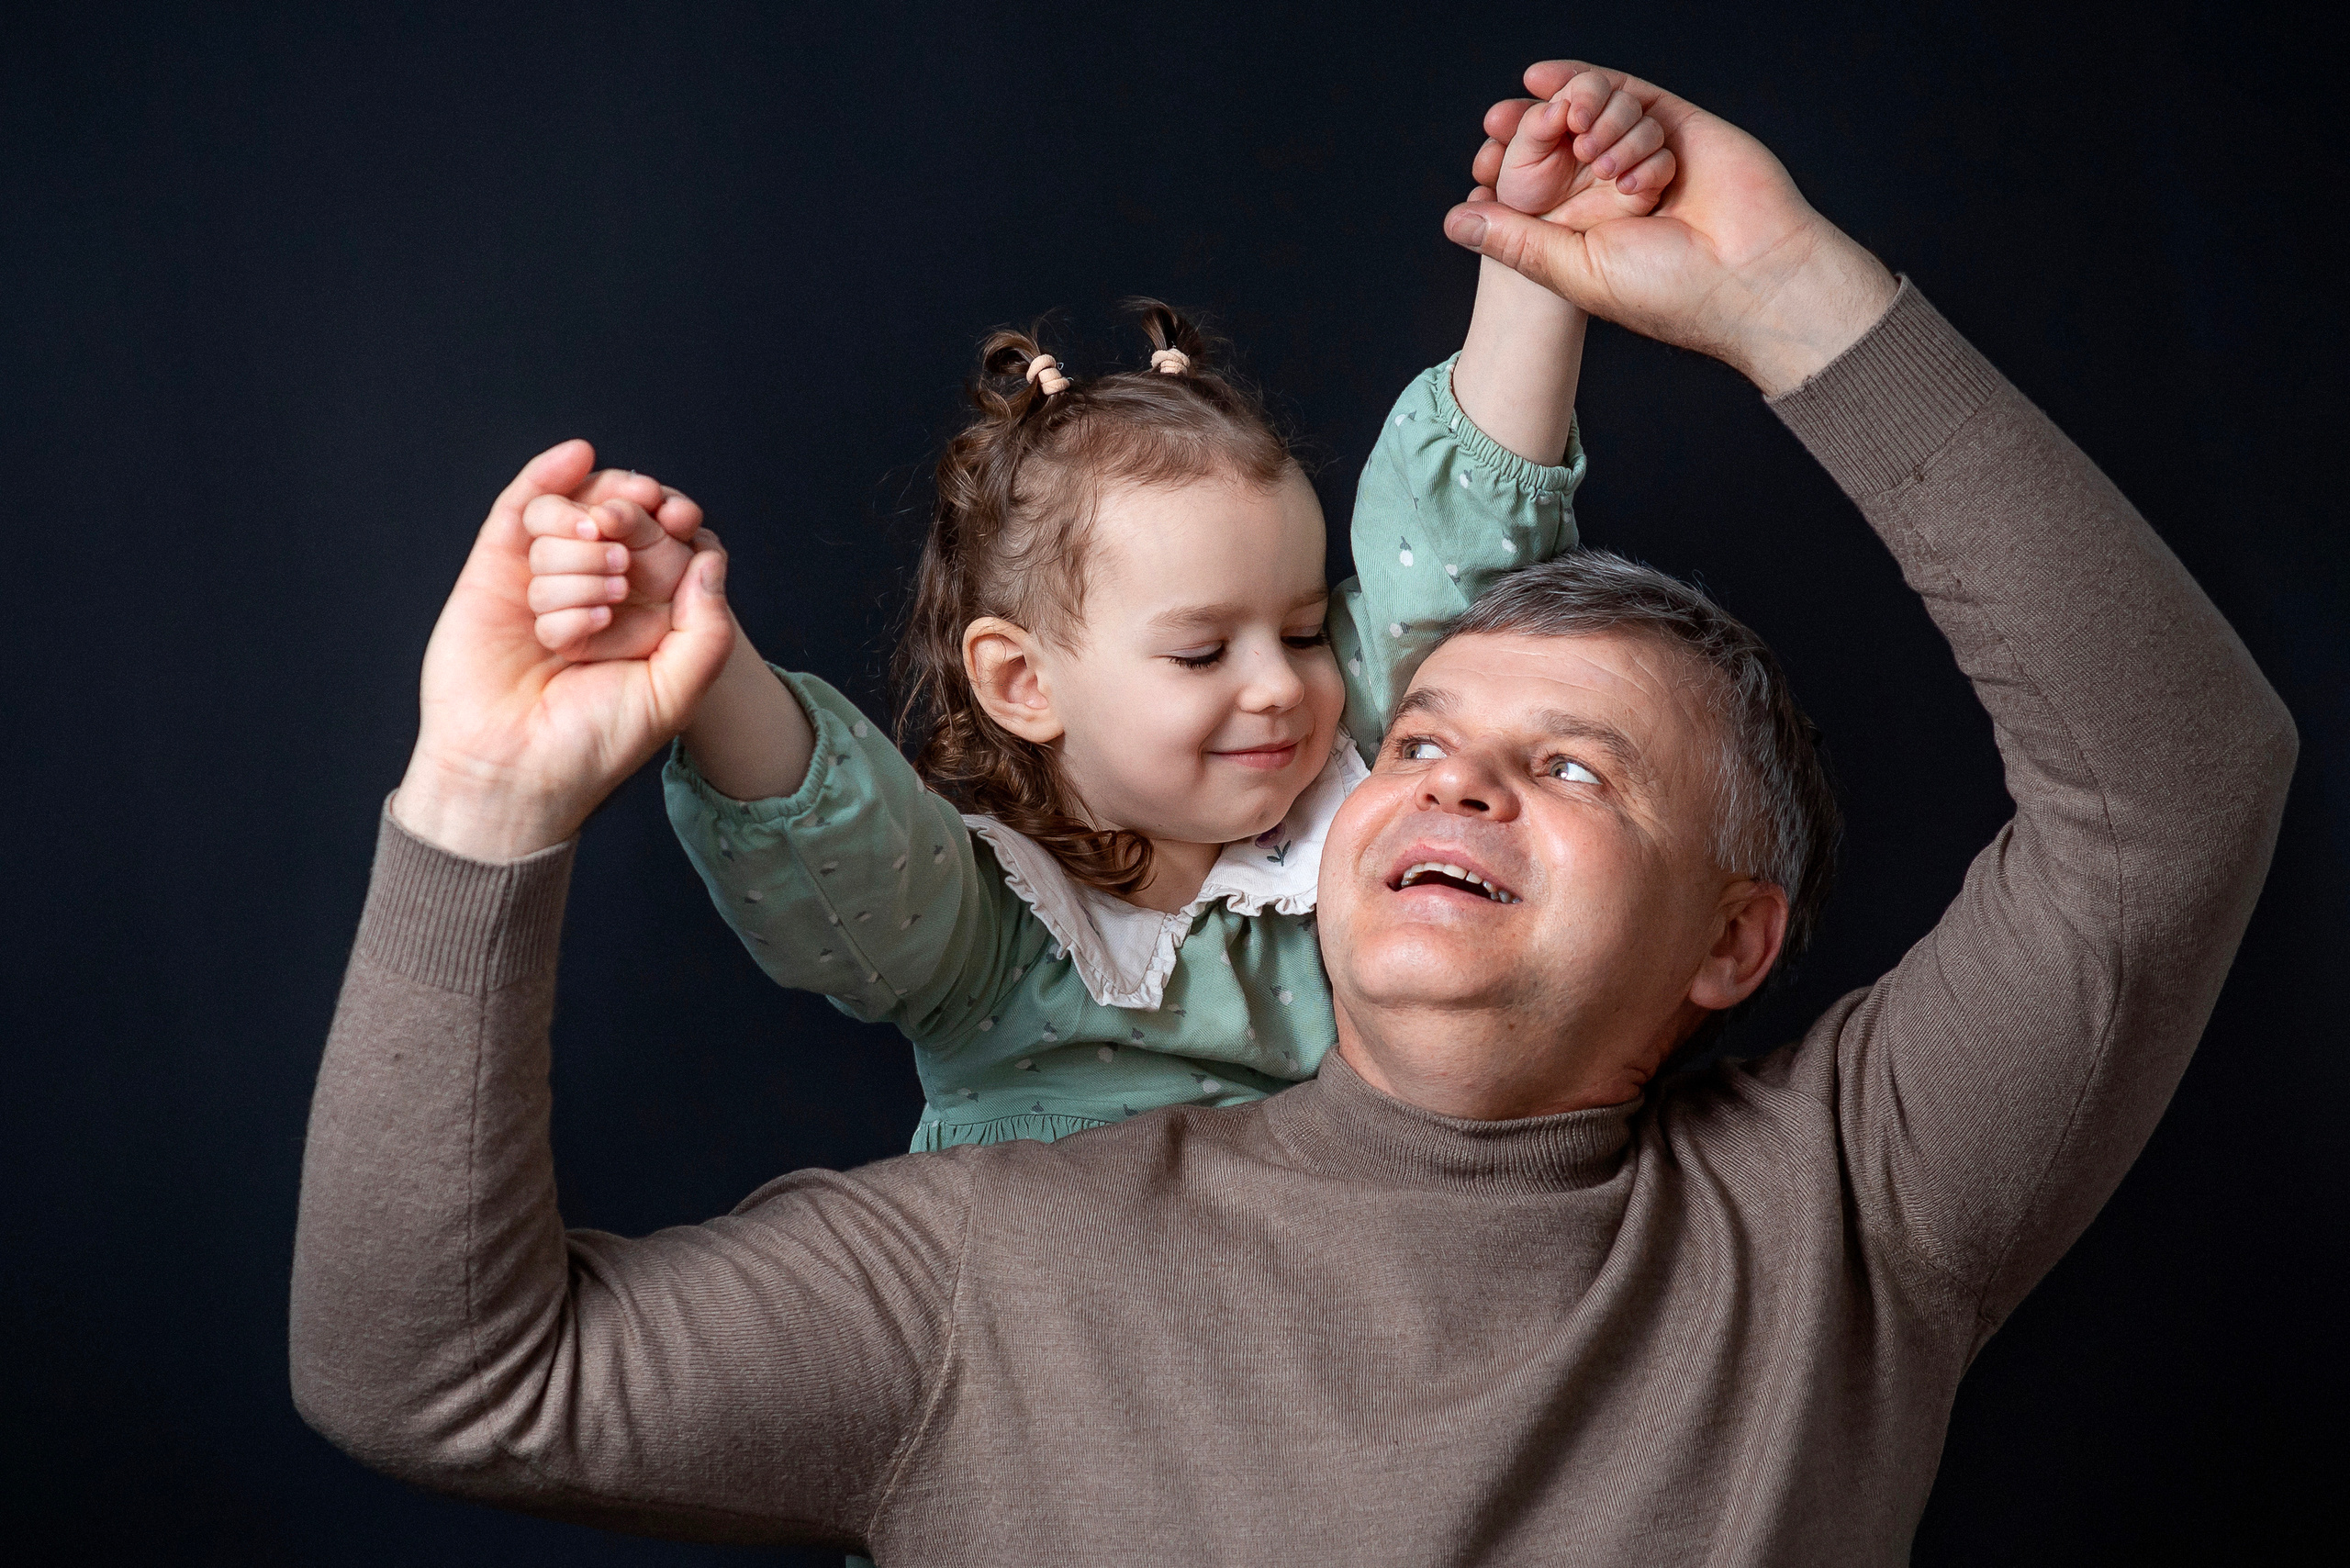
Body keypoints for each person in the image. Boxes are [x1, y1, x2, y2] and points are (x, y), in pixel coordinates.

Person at [292, 59, 2296, 1562]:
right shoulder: (983, 1269)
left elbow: (2180, 787)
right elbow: (441, 1381)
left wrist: (1782, 288)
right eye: (1422, 742)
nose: (1440, 771)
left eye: (1572, 766)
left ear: (1730, 935)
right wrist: (482, 801)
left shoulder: (1847, 1206)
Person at [510, 87, 1674, 1154]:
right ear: (1023, 684)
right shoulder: (988, 934)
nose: (1281, 685)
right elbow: (837, 850)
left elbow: (1459, 571)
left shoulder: (1352, 799)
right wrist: (703, 661)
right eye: (1202, 651)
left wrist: (1538, 261)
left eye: (1303, 631)